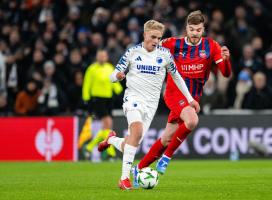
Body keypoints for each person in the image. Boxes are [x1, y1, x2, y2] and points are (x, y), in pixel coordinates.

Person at [98, 19, 200, 190]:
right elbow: (112, 75)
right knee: (136, 131)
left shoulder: (165, 55)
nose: (156, 41)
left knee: (132, 142)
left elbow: (177, 77)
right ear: (144, 34)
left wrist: (190, 99)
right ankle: (124, 179)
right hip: (133, 99)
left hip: (151, 104)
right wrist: (117, 77)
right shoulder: (132, 52)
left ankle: (112, 139)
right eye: (153, 37)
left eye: (159, 38)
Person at [134, 10, 232, 185]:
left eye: (199, 30)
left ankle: (138, 169)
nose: (195, 33)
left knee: (166, 139)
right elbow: (150, 46)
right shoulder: (173, 44)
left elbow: (225, 73)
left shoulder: (212, 46)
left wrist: (227, 60)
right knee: (192, 120)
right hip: (174, 93)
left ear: (203, 29)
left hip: (193, 98)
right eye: (192, 29)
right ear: (187, 28)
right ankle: (166, 158)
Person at [82, 50, 123, 159]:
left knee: (107, 127)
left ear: (106, 57)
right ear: (97, 57)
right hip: (97, 99)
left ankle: (90, 147)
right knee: (108, 123)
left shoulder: (109, 67)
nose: (102, 57)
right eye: (100, 55)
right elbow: (87, 83)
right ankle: (111, 153)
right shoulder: (92, 68)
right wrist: (86, 98)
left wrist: (120, 91)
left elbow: (113, 81)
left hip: (109, 98)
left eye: (104, 56)